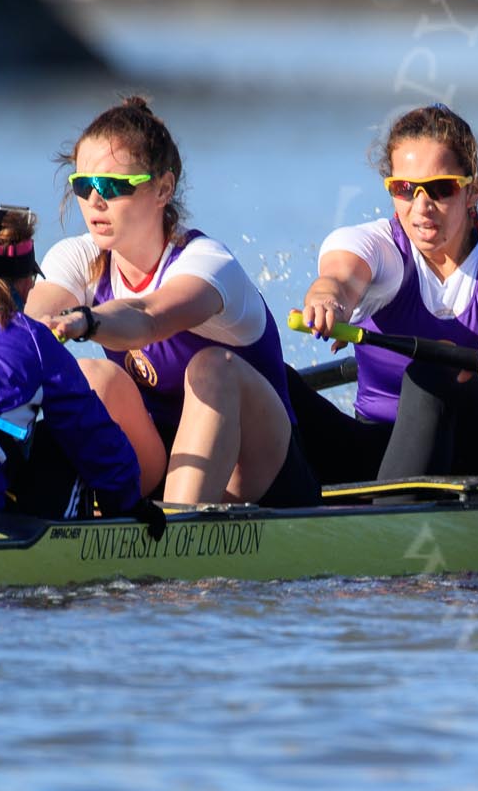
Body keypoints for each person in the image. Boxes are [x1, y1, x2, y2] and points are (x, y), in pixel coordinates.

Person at [26, 96, 318, 508]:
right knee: (94, 375)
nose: (94, 200)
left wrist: (86, 322)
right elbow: (34, 319)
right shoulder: (79, 257)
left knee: (212, 368)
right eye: (82, 184)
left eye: (112, 186)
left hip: (256, 471)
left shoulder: (208, 265)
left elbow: (147, 317)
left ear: (163, 188)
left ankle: (176, 539)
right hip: (159, 462)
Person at [296, 103, 478, 482]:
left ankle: (390, 526)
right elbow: (338, 281)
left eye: (440, 189)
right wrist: (328, 301)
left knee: (436, 371)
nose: (421, 208)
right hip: (380, 455)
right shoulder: (371, 245)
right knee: (266, 376)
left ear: (472, 190)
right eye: (404, 189)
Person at [0, 193, 149, 521]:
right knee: (58, 438)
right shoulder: (30, 336)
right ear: (22, 281)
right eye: (32, 277)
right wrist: (129, 506)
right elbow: (94, 435)